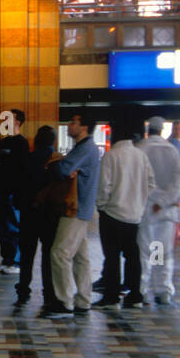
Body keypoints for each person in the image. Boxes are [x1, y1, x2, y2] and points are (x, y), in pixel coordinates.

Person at [46, 113, 103, 318]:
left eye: (73, 122)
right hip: (82, 208)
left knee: (59, 253)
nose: (69, 125)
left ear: (84, 127)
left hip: (75, 209)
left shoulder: (85, 148)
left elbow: (63, 170)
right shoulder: (85, 148)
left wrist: (56, 162)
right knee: (81, 257)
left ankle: (64, 301)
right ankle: (83, 299)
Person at [93, 121, 155, 308]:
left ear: (115, 135)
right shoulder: (141, 156)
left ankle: (111, 297)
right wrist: (140, 201)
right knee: (132, 255)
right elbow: (151, 183)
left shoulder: (111, 156)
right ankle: (134, 295)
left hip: (112, 213)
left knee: (112, 256)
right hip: (134, 214)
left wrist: (102, 205)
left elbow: (104, 186)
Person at [136, 116, 180, 305]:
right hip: (165, 212)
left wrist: (153, 200)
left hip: (146, 209)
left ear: (148, 130)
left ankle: (142, 288)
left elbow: (137, 180)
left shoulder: (141, 149)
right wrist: (165, 201)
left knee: (145, 251)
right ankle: (162, 288)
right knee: (160, 250)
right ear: (162, 131)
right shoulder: (172, 151)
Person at [16, 125, 63, 310]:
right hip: (50, 213)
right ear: (53, 140)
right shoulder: (57, 160)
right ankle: (48, 292)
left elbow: (19, 186)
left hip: (29, 213)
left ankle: (23, 289)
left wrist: (21, 205)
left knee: (27, 253)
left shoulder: (27, 159)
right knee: (48, 254)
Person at [0, 110, 29, 274]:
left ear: (18, 122)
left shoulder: (22, 143)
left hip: (13, 192)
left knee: (13, 227)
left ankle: (16, 261)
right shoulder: (4, 142)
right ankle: (6, 259)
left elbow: (20, 168)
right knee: (2, 228)